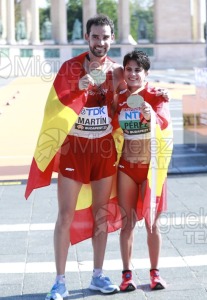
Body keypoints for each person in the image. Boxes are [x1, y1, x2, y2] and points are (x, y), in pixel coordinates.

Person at [25, 14, 125, 300]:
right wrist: (78, 87)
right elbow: (54, 106)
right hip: (74, 149)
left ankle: (97, 274)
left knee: (101, 217)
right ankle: (59, 281)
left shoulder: (116, 72)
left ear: (111, 38)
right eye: (95, 37)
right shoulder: (70, 68)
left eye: (105, 37)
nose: (100, 42)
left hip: (103, 150)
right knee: (65, 215)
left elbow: (120, 109)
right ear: (87, 38)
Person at [114, 50, 173, 292]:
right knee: (127, 223)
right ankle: (127, 275)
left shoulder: (156, 96)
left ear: (146, 73)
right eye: (129, 69)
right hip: (127, 167)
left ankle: (155, 274)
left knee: (152, 224)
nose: (133, 73)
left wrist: (153, 116)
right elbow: (112, 124)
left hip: (151, 171)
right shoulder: (119, 98)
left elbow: (165, 124)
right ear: (124, 73)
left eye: (138, 69)